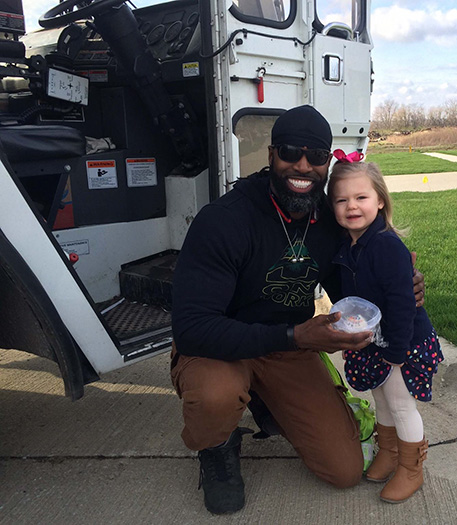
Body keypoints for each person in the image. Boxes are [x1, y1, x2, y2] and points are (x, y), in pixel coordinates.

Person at [170, 105, 425, 515]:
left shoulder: (327, 219)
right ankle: (216, 446)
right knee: (216, 395)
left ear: (327, 162)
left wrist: (400, 287)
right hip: (220, 349)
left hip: (287, 349)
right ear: (271, 154)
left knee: (343, 471)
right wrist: (296, 335)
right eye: (290, 151)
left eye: (316, 156)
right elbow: (192, 329)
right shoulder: (224, 221)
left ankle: (269, 402)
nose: (302, 165)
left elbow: (351, 285)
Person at [328, 160, 444, 503]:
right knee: (380, 398)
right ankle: (389, 452)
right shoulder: (349, 245)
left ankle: (411, 468)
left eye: (361, 197)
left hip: (401, 341)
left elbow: (403, 302)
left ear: (380, 200)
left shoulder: (386, 246)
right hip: (373, 341)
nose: (351, 206)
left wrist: (397, 351)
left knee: (401, 403)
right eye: (341, 200)